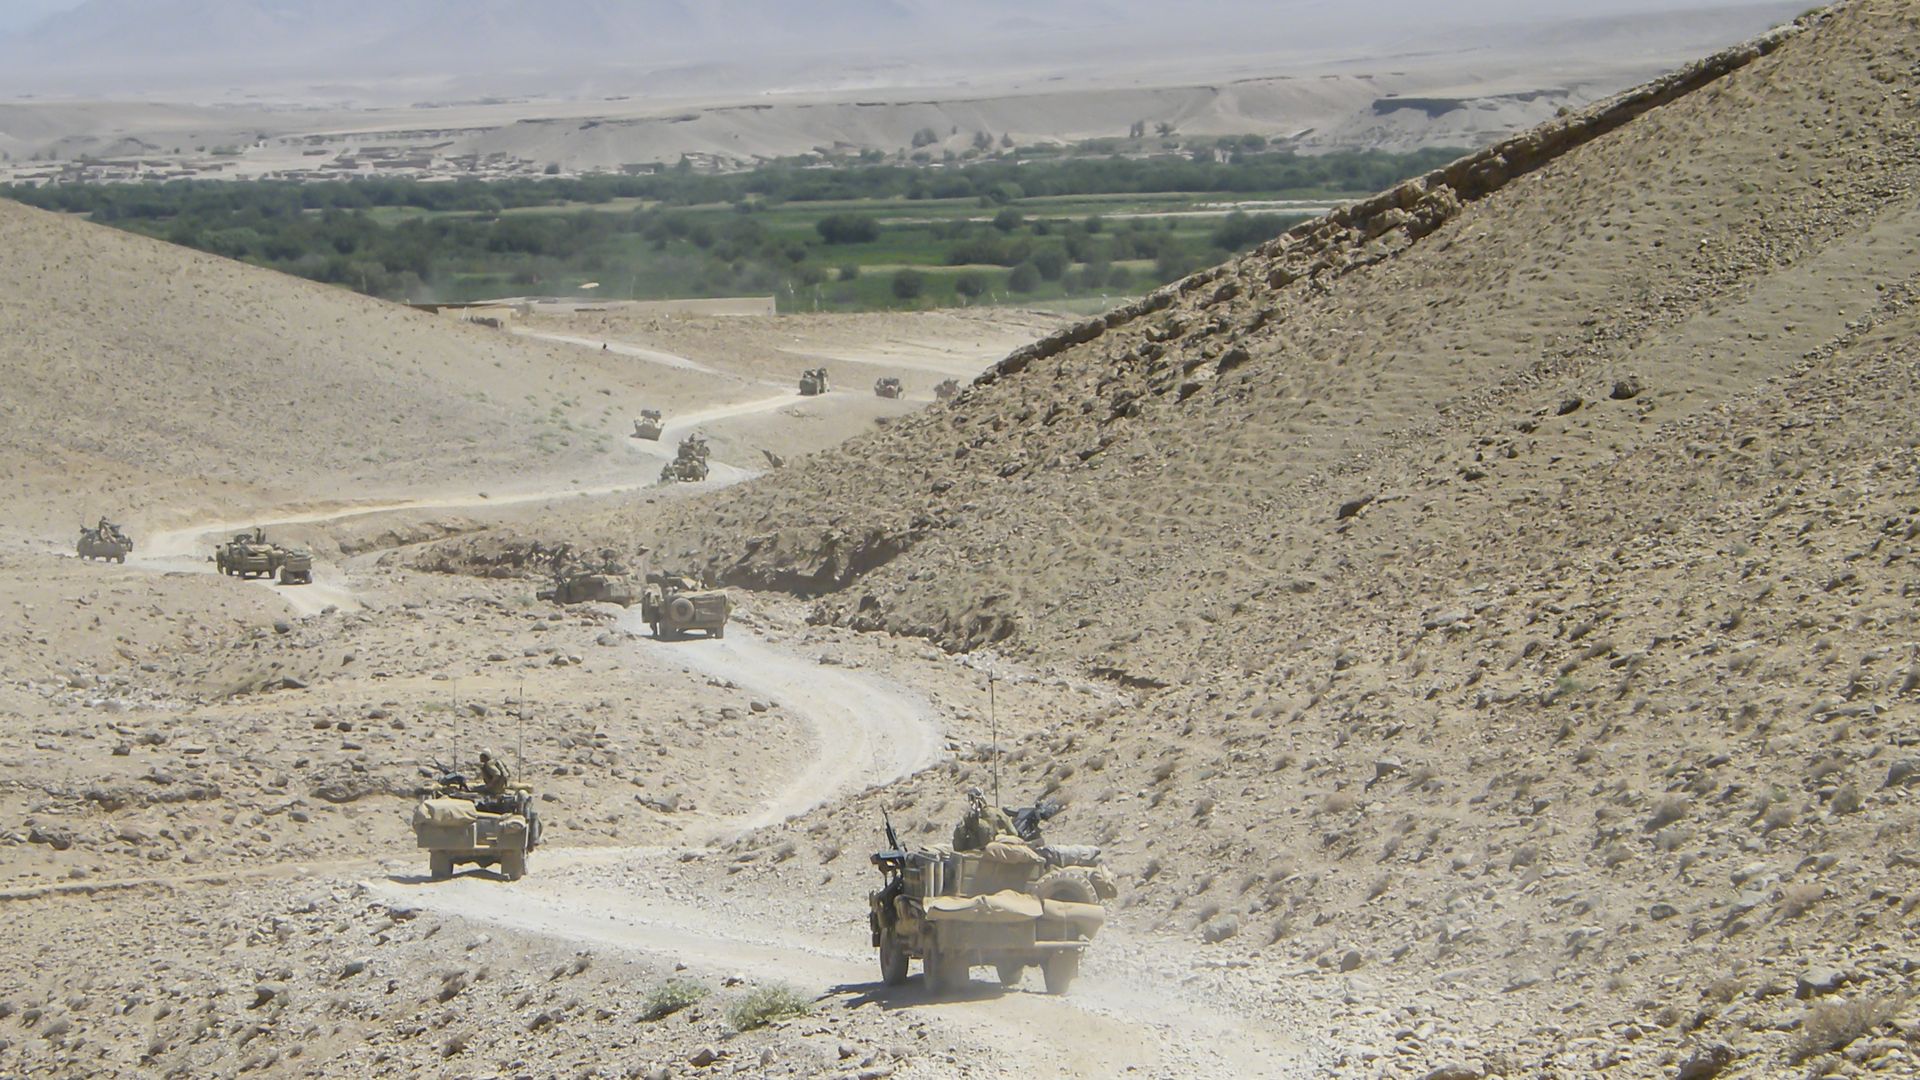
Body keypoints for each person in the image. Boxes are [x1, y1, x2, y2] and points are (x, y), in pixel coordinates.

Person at [952, 787, 1017, 851]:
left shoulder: (968, 817)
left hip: (977, 852)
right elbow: (1014, 833)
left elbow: (958, 846)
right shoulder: (998, 813)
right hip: (994, 851)